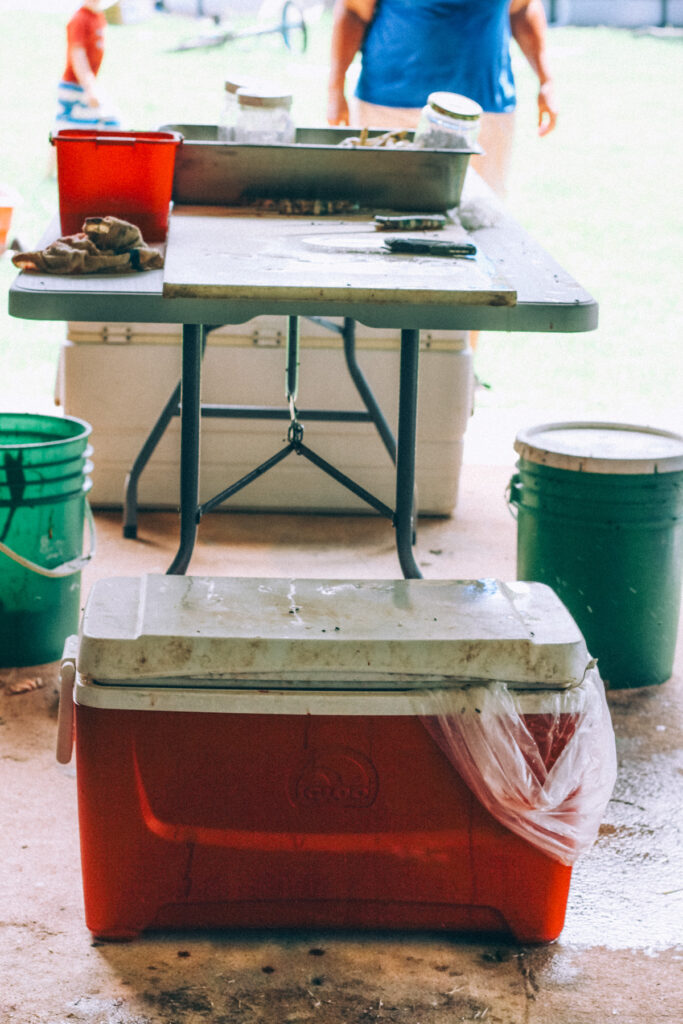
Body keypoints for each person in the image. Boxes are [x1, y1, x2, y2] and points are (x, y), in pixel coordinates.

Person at [327, 0, 557, 197]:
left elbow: (522, 9)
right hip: (390, 107)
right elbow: (354, 10)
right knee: (382, 207)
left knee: (481, 215)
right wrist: (336, 87)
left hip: (484, 110)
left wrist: (546, 81)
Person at [55, 0, 122, 133]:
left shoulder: (97, 16)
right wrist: (90, 88)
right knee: (64, 132)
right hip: (74, 87)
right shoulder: (80, 19)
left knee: (110, 125)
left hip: (87, 84)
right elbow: (78, 55)